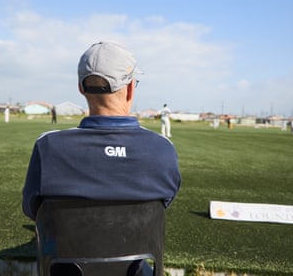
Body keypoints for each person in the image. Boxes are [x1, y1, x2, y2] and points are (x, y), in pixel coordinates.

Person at [22, 40, 181, 221]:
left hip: (69, 249)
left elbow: (32, 208)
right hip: (141, 248)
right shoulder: (163, 148)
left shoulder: (48, 146)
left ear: (81, 88)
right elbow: (163, 204)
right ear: (130, 89)